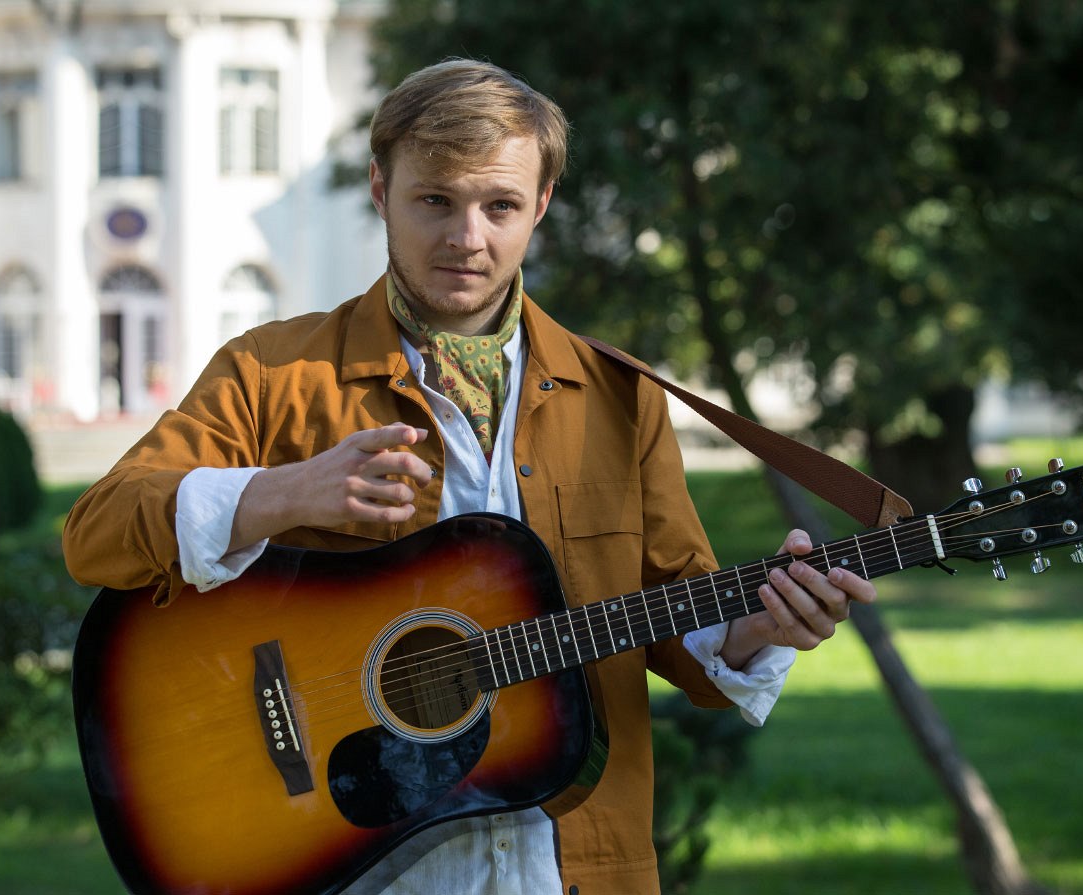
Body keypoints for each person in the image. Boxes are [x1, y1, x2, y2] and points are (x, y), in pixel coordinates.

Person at [62, 58, 877, 895]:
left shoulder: (620, 397)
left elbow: (678, 622)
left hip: (573, 870)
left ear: (542, 205)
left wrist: (763, 629)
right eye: (435, 201)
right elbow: (96, 535)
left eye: (500, 206)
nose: (467, 238)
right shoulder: (273, 372)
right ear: (379, 187)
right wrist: (280, 492)